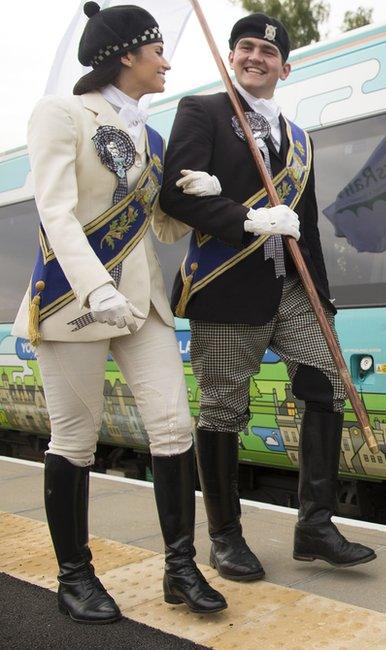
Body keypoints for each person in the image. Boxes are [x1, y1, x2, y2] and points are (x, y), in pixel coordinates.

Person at [10, 3, 226, 623]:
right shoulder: (61, 113)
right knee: (75, 440)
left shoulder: (150, 137)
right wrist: (94, 287)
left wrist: (193, 197)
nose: (167, 62)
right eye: (157, 51)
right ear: (126, 54)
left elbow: (158, 227)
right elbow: (54, 211)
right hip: (74, 301)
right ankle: (75, 576)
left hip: (142, 302)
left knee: (173, 427)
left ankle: (180, 568)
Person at [159, 13, 375, 582]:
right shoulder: (203, 112)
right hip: (227, 282)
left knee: (327, 387)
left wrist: (322, 297)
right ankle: (225, 538)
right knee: (224, 407)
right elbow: (176, 196)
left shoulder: (300, 139)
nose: (256, 57)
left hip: (293, 287)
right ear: (232, 56)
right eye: (246, 47)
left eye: (268, 52)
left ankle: (316, 527)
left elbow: (307, 224)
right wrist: (247, 218)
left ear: (286, 67)